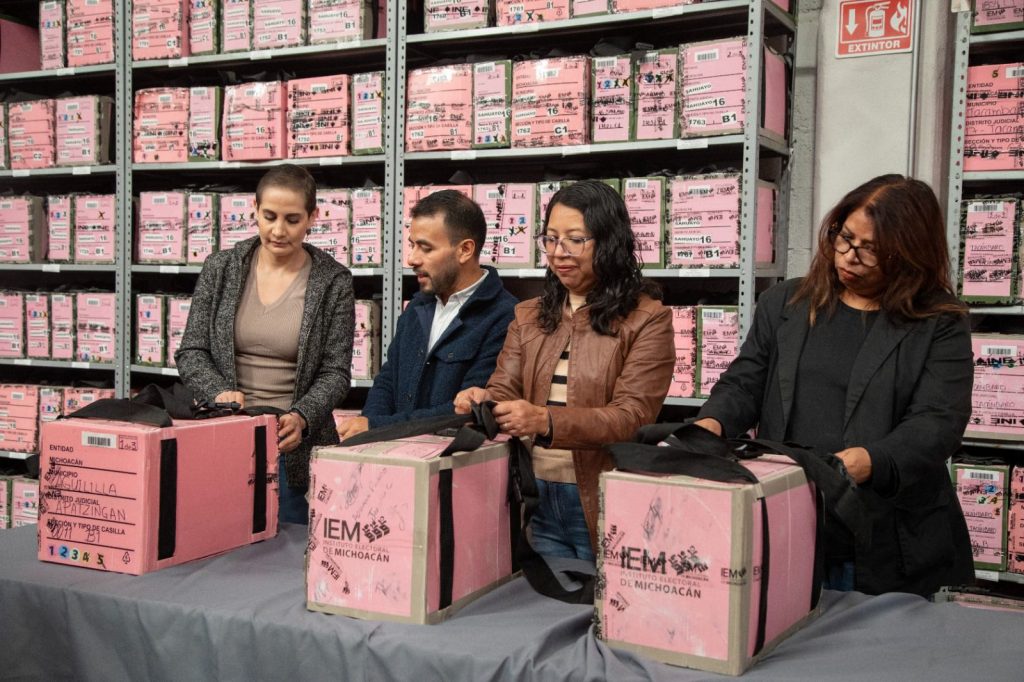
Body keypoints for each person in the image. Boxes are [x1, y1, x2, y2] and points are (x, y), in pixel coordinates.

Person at [694, 174, 975, 596]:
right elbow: (745, 382)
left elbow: (938, 423)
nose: (848, 257)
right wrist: (710, 424)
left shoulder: (939, 322)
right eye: (844, 238)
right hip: (791, 521)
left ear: (909, 255)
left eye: (870, 249)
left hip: (884, 537)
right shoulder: (786, 303)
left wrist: (867, 461)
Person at [454, 180, 675, 561]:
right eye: (551, 239)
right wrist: (483, 399)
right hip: (531, 492)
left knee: (600, 597)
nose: (559, 253)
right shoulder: (529, 315)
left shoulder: (647, 319)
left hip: (602, 495)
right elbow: (504, 389)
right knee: (537, 596)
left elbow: (632, 417)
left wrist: (546, 421)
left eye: (575, 240)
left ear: (609, 242)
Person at [176, 164, 355, 525]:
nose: (278, 230)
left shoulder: (334, 281)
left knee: (291, 550)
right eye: (269, 216)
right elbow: (191, 351)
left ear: (313, 217)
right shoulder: (221, 267)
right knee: (220, 543)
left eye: (292, 219)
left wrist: (301, 417)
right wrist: (219, 393)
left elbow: (336, 372)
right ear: (254, 209)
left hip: (294, 450)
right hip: (225, 438)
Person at [336, 190, 518, 439]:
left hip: (452, 459)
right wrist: (368, 427)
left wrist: (379, 427)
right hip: (394, 454)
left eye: (426, 248)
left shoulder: (505, 317)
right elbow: (388, 378)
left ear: (465, 250)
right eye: (412, 245)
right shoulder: (417, 306)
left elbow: (466, 411)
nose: (412, 259)